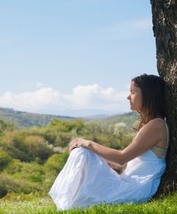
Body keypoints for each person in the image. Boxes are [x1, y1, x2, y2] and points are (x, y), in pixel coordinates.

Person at [49, 74, 169, 210]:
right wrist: (93, 154)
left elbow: (122, 158)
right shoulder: (149, 125)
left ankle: (65, 205)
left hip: (136, 188)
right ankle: (66, 202)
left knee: (83, 151)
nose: (128, 97)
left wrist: (88, 143)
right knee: (83, 153)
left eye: (133, 92)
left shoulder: (156, 125)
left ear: (148, 95)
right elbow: (125, 164)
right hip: (127, 181)